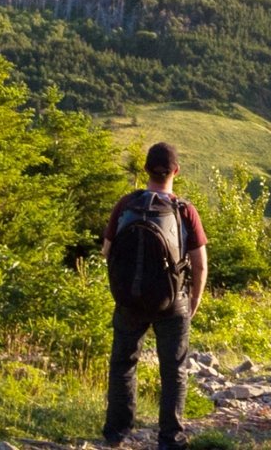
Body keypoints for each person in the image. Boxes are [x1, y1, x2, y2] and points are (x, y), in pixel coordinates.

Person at [102, 142, 208, 449]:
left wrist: (127, 283)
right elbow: (199, 265)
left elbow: (107, 252)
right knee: (173, 368)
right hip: (172, 300)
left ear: (146, 170)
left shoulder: (126, 204)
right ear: (176, 171)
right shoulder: (185, 210)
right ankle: (170, 438)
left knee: (123, 362)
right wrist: (194, 301)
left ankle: (116, 432)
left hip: (129, 299)